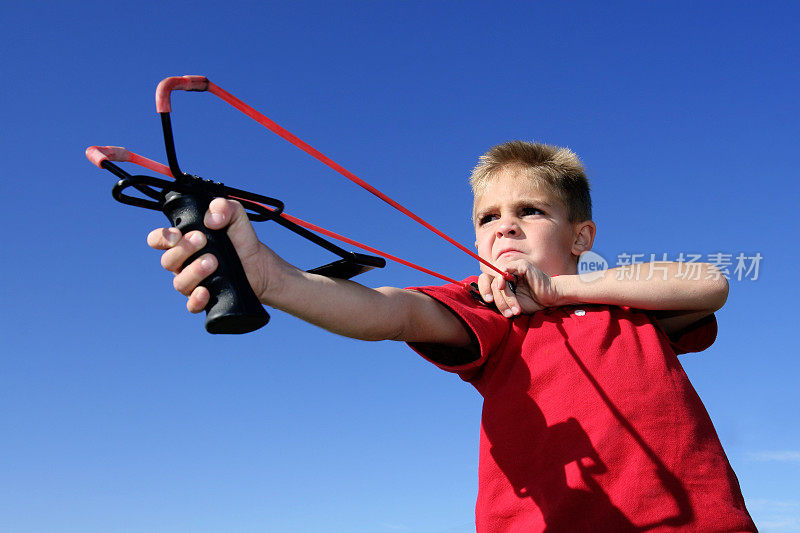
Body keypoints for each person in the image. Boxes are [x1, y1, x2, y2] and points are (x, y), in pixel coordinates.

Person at [147, 141, 756, 531]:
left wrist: (560, 291)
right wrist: (271, 277)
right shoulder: (486, 306)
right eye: (487, 217)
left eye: (530, 211)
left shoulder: (623, 303)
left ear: (581, 237)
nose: (504, 227)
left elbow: (709, 284)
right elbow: (395, 313)